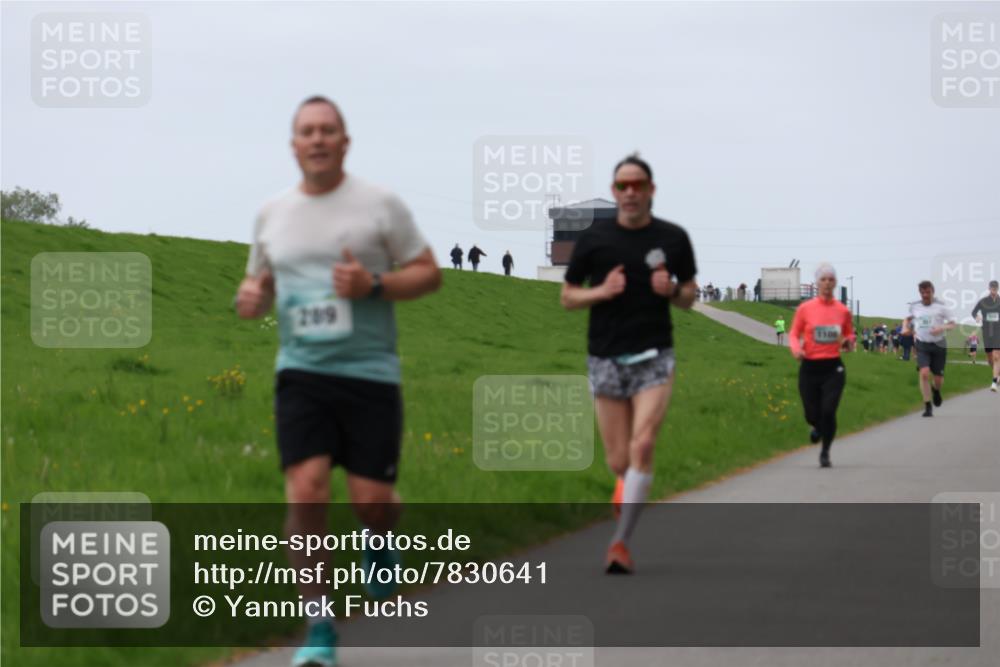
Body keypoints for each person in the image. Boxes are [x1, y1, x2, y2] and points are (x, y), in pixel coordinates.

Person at [235, 95, 442, 667]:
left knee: (372, 503)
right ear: (294, 145)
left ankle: (382, 538)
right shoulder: (272, 214)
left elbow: (428, 274)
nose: (318, 139)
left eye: (329, 130)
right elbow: (260, 282)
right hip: (301, 372)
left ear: (345, 142)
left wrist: (372, 285)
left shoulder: (380, 206)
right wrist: (252, 297)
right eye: (307, 131)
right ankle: (320, 628)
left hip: (370, 373)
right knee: (306, 491)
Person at [561, 154, 697, 575]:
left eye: (638, 184)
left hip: (655, 356)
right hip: (605, 357)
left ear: (651, 190)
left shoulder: (673, 238)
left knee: (643, 445)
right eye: (622, 185)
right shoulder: (595, 239)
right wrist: (602, 291)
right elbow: (568, 296)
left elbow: (690, 295)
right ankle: (627, 486)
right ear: (615, 190)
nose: (630, 192)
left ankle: (620, 544)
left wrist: (672, 289)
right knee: (619, 461)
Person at [788, 263, 854, 468]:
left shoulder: (842, 310)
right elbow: (793, 333)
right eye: (823, 279)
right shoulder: (805, 309)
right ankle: (817, 427)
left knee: (828, 411)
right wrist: (796, 350)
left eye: (830, 279)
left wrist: (848, 342)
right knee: (811, 413)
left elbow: (850, 333)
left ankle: (825, 452)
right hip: (809, 367)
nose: (827, 283)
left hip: (833, 368)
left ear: (835, 283)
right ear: (817, 283)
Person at [905, 280, 957, 417]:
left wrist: (941, 327)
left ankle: (936, 390)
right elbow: (910, 319)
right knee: (924, 373)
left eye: (928, 292)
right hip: (922, 344)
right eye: (922, 292)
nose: (925, 295)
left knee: (938, 378)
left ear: (933, 291)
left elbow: (952, 324)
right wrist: (906, 327)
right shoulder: (915, 306)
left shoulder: (941, 306)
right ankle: (927, 406)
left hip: (939, 344)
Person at [971, 279, 1000, 391]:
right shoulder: (983, 301)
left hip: (998, 331)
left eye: (995, 287)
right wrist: (977, 317)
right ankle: (998, 374)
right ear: (989, 288)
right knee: (989, 358)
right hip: (987, 331)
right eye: (992, 287)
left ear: (997, 288)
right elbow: (973, 312)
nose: (994, 289)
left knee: (996, 355)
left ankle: (994, 382)